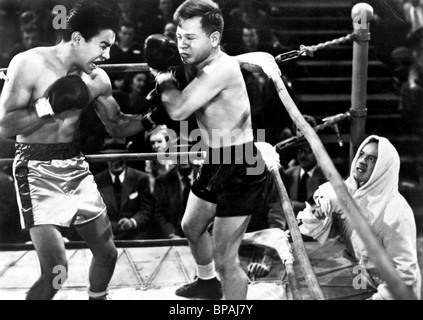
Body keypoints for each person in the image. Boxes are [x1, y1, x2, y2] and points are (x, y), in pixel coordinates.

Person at [0, 1, 149, 300]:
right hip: (34, 168)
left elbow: (117, 125)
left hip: (74, 165)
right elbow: (5, 125)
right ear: (78, 38)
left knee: (108, 253)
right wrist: (48, 106)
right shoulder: (29, 64)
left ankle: (98, 297)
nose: (107, 55)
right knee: (57, 270)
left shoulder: (97, 79)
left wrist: (153, 116)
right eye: (103, 45)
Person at [148, 0, 281, 300]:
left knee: (226, 260)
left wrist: (163, 79)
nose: (182, 45)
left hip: (241, 164)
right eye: (179, 37)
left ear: (214, 39)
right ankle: (206, 282)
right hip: (216, 160)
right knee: (191, 226)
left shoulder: (219, 69)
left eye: (190, 38)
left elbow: (180, 109)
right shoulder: (205, 60)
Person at [298, 135, 421, 300]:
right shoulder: (357, 189)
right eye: (362, 154)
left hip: (392, 291)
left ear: (383, 167)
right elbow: (332, 193)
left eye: (372, 159)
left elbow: (406, 274)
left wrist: (376, 298)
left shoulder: (397, 211)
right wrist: (320, 208)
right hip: (362, 275)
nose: (362, 161)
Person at [94, 140, 154, 240]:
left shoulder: (140, 178)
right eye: (112, 158)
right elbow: (95, 212)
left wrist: (132, 222)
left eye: (120, 158)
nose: (116, 162)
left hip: (136, 236)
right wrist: (111, 226)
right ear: (105, 159)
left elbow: (146, 210)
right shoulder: (97, 181)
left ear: (125, 159)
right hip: (107, 236)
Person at [153, 162, 198, 239]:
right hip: (175, 233)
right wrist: (172, 234)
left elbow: (215, 209)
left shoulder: (207, 176)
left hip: (202, 231)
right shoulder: (163, 180)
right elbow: (159, 213)